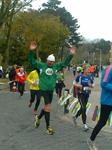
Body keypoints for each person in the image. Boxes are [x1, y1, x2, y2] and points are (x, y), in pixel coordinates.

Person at [28, 41, 75, 135]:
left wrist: (70, 55)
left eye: (52, 62)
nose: (51, 63)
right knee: (48, 107)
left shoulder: (56, 67)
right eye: (50, 61)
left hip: (50, 90)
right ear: (47, 60)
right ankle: (48, 127)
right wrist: (31, 51)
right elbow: (32, 62)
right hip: (43, 90)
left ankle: (38, 118)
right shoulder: (41, 65)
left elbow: (65, 63)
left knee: (46, 107)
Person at [87, 65, 112, 150]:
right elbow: (103, 83)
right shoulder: (109, 69)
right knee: (102, 122)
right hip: (107, 101)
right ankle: (91, 140)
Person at [73, 65, 94, 131]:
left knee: (83, 108)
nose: (89, 71)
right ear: (84, 70)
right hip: (80, 94)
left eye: (89, 70)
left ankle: (75, 117)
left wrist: (91, 85)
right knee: (84, 108)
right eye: (87, 70)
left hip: (87, 94)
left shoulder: (90, 76)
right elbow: (74, 82)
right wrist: (78, 85)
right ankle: (84, 125)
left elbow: (93, 84)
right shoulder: (80, 76)